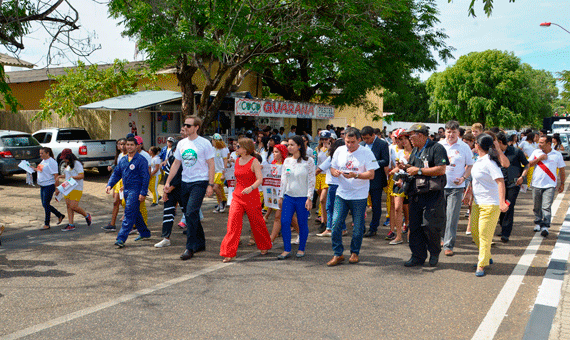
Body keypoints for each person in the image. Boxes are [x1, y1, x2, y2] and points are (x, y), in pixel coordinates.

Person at [165, 115, 215, 261]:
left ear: (196, 127)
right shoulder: (181, 144)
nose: (185, 127)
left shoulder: (205, 143)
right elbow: (176, 164)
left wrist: (210, 185)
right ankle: (200, 243)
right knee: (189, 214)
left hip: (200, 182)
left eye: (188, 125)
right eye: (184, 125)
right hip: (185, 182)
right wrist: (168, 182)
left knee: (192, 212)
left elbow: (211, 164)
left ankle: (190, 247)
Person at [327, 127, 379, 266]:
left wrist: (356, 175)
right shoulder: (339, 150)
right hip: (342, 193)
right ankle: (338, 254)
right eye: (347, 141)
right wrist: (335, 172)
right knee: (336, 223)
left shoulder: (367, 153)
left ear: (359, 140)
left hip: (359, 196)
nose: (349, 145)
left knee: (357, 227)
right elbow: (332, 168)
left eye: (353, 142)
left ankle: (354, 252)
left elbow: (371, 174)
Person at [401, 123, 448, 268]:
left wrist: (419, 171)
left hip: (432, 194)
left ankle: (434, 253)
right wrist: (405, 169)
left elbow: (441, 169)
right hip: (416, 193)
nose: (410, 139)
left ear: (420, 135)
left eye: (411, 136)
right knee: (414, 227)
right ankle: (417, 256)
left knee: (430, 226)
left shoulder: (437, 148)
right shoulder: (415, 150)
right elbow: (412, 168)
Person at [462, 134, 508, 277]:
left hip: (490, 204)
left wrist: (502, 202)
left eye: (474, 143)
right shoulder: (479, 161)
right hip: (477, 203)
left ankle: (481, 265)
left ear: (477, 145)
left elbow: (501, 182)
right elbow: (475, 180)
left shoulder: (490, 163)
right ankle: (486, 255)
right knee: (475, 233)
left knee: (484, 235)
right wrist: (469, 193)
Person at [219, 138, 272, 262]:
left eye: (238, 146)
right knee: (233, 223)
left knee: (257, 222)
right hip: (237, 196)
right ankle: (228, 252)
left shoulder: (254, 161)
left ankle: (264, 245)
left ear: (245, 148)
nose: (235, 148)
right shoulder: (237, 161)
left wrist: (251, 187)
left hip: (251, 195)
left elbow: (260, 179)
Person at [105, 137, 151, 248]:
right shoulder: (123, 160)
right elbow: (116, 173)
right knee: (135, 212)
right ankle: (145, 233)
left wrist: (143, 192)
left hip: (136, 190)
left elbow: (145, 177)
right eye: (128, 144)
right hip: (126, 190)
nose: (129, 147)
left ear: (136, 146)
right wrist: (109, 185)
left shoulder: (141, 160)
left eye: (131, 145)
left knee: (129, 213)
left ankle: (121, 238)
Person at [277, 136, 315, 259]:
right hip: (289, 196)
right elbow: (283, 179)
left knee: (302, 223)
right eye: (288, 145)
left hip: (302, 197)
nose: (289, 147)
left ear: (299, 146)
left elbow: (311, 180)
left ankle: (301, 248)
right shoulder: (287, 161)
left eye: (292, 144)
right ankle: (287, 249)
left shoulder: (308, 161)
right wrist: (280, 196)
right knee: (285, 221)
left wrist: (310, 198)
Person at [439, 120, 474, 256]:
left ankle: (449, 244)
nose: (451, 134)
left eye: (453, 132)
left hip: (456, 187)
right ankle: (442, 238)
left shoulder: (464, 147)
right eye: (448, 132)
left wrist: (464, 178)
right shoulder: (439, 145)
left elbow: (470, 165)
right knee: (441, 215)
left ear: (458, 133)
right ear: (445, 132)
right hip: (440, 186)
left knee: (452, 215)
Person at [528, 135, 566, 237]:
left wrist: (562, 183)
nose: (539, 144)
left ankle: (545, 226)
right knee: (537, 206)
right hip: (536, 184)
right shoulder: (536, 152)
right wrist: (539, 159)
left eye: (541, 143)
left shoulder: (557, 155)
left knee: (546, 206)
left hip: (550, 185)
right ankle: (538, 222)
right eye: (539, 142)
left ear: (549, 144)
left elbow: (562, 170)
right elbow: (529, 164)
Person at [496, 132, 529, 242]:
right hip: (499, 184)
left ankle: (506, 233)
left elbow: (527, 165)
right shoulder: (494, 153)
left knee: (508, 206)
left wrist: (522, 177)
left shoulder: (516, 151)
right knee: (500, 207)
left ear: (500, 142)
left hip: (513, 184)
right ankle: (502, 226)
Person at [264, 144, 300, 243]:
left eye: (276, 152)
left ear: (282, 153)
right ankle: (302, 234)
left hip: (287, 194)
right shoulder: (272, 164)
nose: (274, 154)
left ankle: (270, 240)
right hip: (276, 194)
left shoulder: (287, 163)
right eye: (273, 152)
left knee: (278, 217)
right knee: (291, 217)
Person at [360, 126, 390, 237]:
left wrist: (371, 163)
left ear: (373, 135)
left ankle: (373, 228)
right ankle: (360, 227)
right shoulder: (362, 145)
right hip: (362, 179)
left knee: (376, 205)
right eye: (363, 138)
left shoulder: (382, 144)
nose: (366, 141)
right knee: (360, 204)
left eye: (367, 138)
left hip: (376, 179)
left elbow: (385, 161)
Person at [316, 139, 347, 237]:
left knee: (330, 207)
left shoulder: (332, 158)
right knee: (337, 208)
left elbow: (319, 169)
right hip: (340, 185)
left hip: (334, 185)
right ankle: (341, 228)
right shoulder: (345, 158)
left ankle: (331, 228)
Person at [56, 149, 92, 231]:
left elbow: (81, 176)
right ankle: (71, 224)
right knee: (69, 206)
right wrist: (60, 176)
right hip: (68, 187)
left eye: (65, 158)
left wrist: (73, 177)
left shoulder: (77, 164)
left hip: (76, 188)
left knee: (73, 206)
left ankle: (86, 215)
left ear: (69, 156)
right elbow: (67, 175)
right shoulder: (68, 164)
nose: (64, 160)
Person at [388, 129, 412, 244]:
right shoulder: (400, 153)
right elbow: (398, 167)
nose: (403, 141)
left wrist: (405, 166)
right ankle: (398, 236)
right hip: (399, 180)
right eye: (400, 139)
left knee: (412, 209)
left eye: (405, 139)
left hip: (412, 181)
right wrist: (393, 171)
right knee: (397, 208)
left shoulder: (417, 152)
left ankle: (410, 231)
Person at [35, 147, 65, 230]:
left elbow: (56, 175)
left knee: (46, 204)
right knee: (45, 205)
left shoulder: (52, 162)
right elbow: (40, 170)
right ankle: (59, 215)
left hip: (49, 185)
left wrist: (57, 188)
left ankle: (47, 223)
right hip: (43, 185)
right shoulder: (43, 161)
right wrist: (32, 169)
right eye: (40, 153)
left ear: (47, 153)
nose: (40, 155)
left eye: (42, 153)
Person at [104, 138, 127, 231]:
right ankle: (112, 224)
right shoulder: (120, 155)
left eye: (123, 144)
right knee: (116, 202)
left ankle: (133, 224)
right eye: (119, 144)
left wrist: (125, 184)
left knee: (125, 203)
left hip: (127, 182)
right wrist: (110, 184)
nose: (121, 146)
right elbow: (118, 171)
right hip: (119, 181)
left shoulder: (132, 157)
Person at [315, 131, 331, 232]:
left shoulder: (332, 149)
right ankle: (324, 221)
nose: (324, 141)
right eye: (322, 139)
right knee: (322, 201)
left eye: (326, 139)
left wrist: (329, 149)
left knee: (322, 199)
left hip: (327, 175)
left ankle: (325, 221)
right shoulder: (317, 149)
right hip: (318, 175)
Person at [211, 133, 229, 213]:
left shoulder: (223, 149)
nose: (212, 141)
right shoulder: (213, 149)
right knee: (219, 188)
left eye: (213, 140)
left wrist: (223, 173)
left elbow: (225, 161)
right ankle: (221, 203)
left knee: (215, 187)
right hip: (214, 171)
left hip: (220, 171)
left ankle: (221, 203)